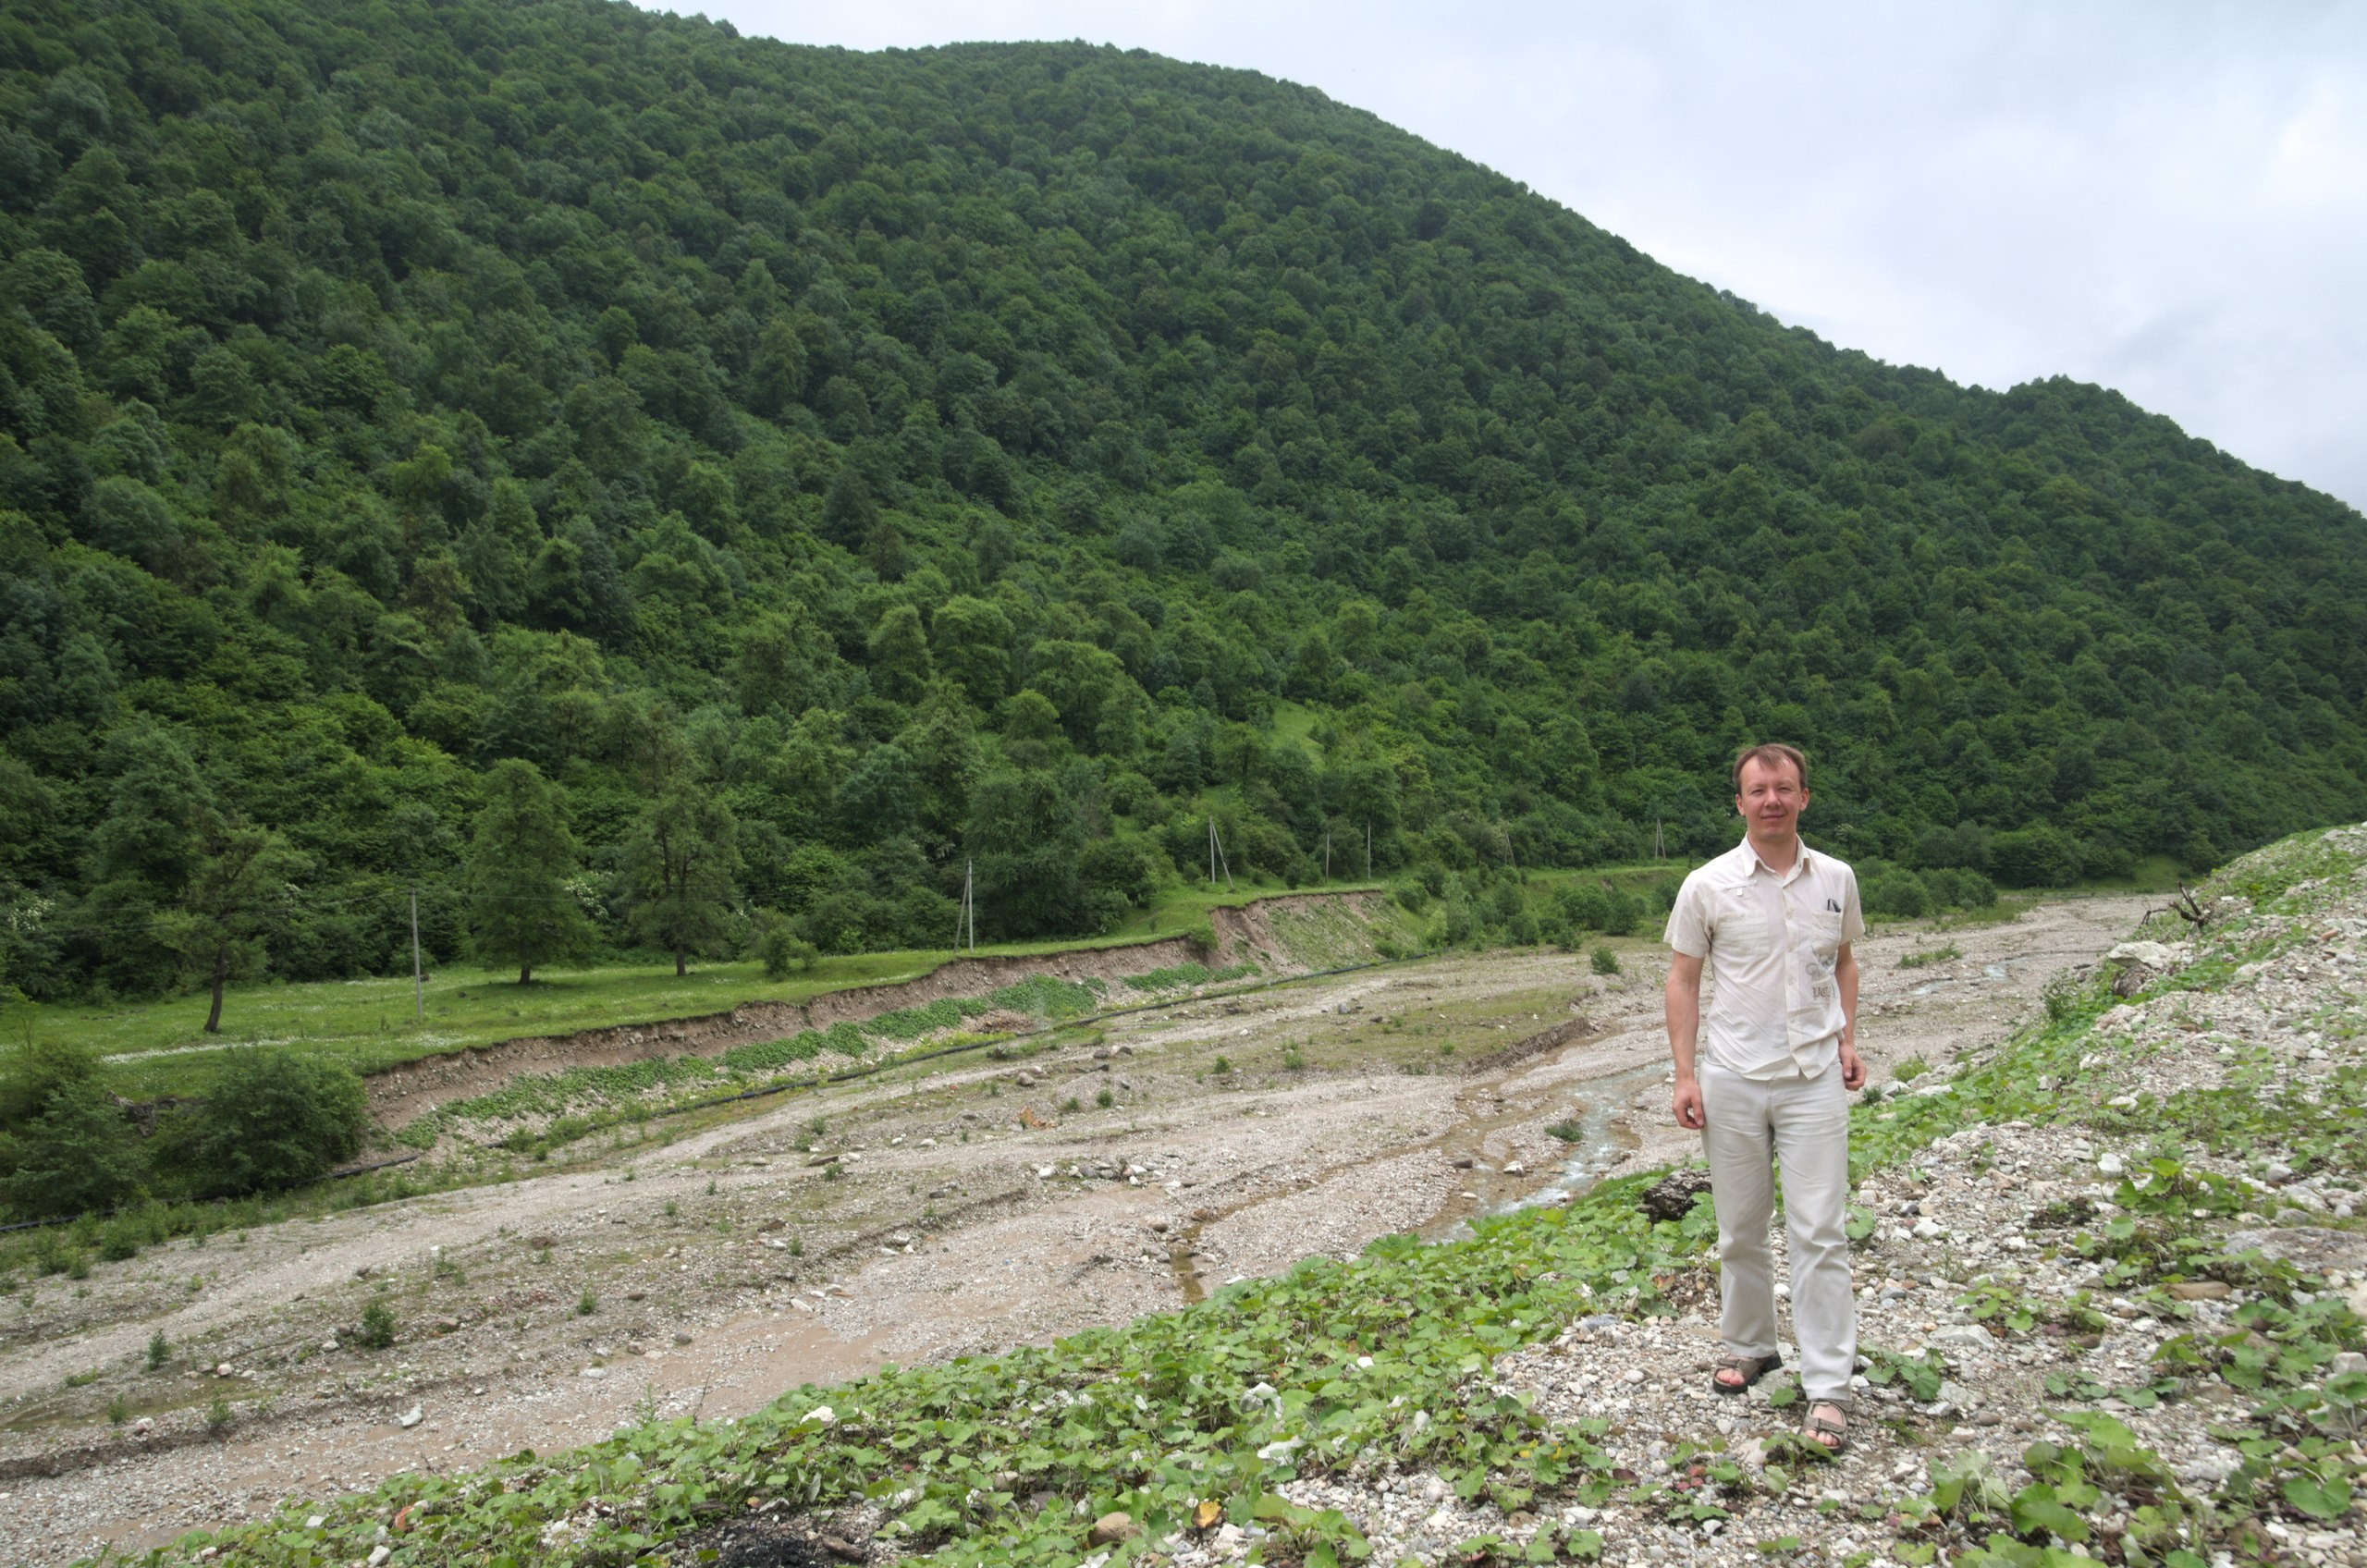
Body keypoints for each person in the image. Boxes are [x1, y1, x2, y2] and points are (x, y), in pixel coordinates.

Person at [1662, 742, 1865, 1453]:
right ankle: (1751, 1346)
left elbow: (1843, 962)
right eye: (1758, 790)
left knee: (1819, 1230)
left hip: (1812, 1077)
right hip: (1732, 1076)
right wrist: (1685, 1074)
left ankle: (1830, 1385)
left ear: (1805, 796)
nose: (1771, 800)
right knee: (1740, 1227)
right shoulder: (1707, 884)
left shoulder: (1836, 878)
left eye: (1784, 788)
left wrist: (1845, 1040)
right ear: (1740, 802)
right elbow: (1683, 979)